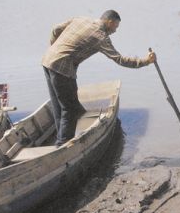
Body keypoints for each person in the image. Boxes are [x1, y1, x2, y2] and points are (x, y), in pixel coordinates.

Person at [42, 9, 156, 146]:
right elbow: (120, 59)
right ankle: (63, 145)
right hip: (63, 68)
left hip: (47, 60)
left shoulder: (81, 19)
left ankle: (61, 138)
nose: (115, 31)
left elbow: (55, 29)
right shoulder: (101, 37)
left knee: (58, 106)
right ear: (110, 22)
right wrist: (146, 61)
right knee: (70, 109)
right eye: (116, 27)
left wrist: (55, 49)